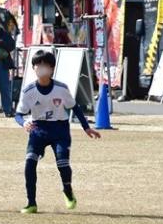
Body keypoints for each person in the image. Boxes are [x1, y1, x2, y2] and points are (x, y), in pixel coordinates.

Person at [15, 50, 101, 213]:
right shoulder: (28, 91)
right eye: (37, 65)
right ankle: (31, 202)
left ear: (52, 68)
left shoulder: (61, 89)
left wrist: (86, 127)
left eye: (45, 65)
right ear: (33, 68)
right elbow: (18, 114)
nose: (41, 68)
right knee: (29, 163)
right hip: (38, 129)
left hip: (59, 129)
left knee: (62, 163)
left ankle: (68, 191)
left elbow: (74, 107)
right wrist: (23, 123)